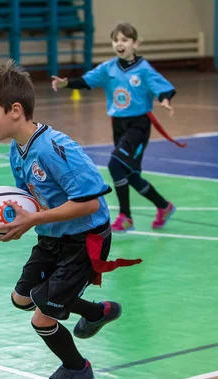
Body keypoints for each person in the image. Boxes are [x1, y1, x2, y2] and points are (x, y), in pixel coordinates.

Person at [0, 60, 141, 379]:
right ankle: (97, 312)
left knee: (42, 318)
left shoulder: (54, 148)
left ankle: (76, 369)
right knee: (21, 299)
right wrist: (15, 220)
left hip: (84, 240)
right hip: (53, 237)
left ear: (15, 110)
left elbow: (90, 204)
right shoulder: (16, 149)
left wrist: (33, 220)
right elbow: (30, 198)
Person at [52, 22, 178, 232]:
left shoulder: (144, 70)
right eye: (116, 40)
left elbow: (162, 87)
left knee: (115, 165)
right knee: (130, 175)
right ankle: (163, 206)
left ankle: (125, 216)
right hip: (118, 125)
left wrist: (165, 100)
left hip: (138, 126)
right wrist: (67, 84)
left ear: (135, 43)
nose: (120, 44)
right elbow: (86, 81)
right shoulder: (108, 68)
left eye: (125, 40)